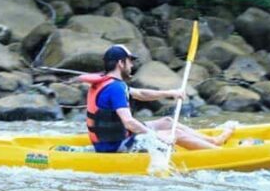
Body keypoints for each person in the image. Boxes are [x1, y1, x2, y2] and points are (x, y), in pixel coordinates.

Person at [80, 44, 236, 153]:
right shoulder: (115, 87)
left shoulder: (108, 83)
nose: (131, 66)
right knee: (174, 134)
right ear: (121, 63)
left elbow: (140, 94)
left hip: (115, 137)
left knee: (167, 122)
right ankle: (218, 152)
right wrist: (155, 137)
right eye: (129, 61)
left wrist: (170, 93)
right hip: (114, 146)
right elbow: (129, 122)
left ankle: (214, 141)